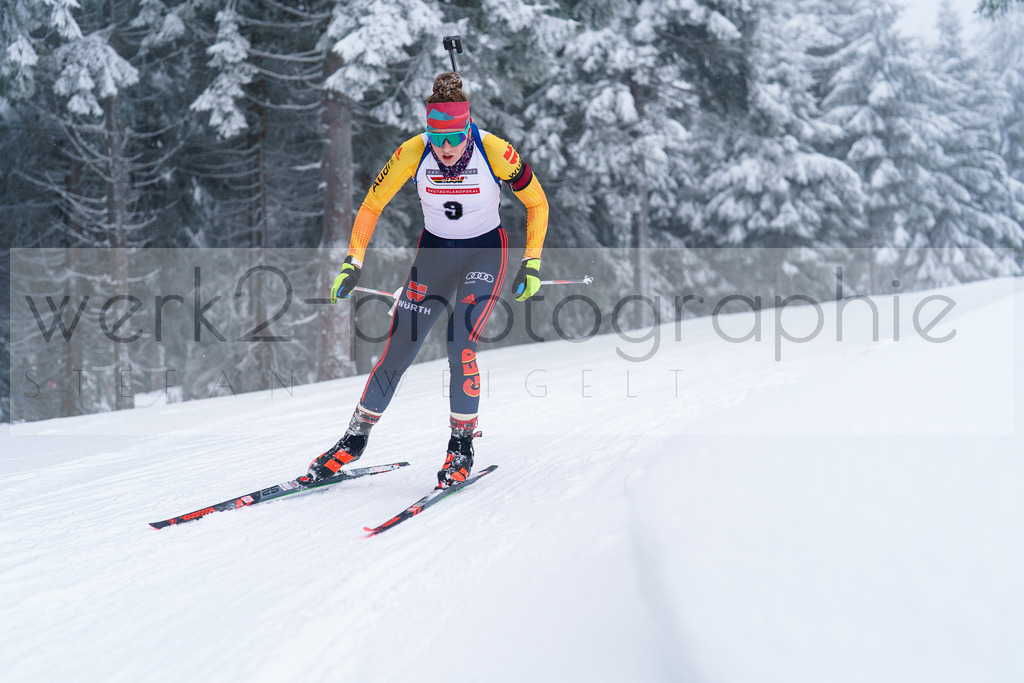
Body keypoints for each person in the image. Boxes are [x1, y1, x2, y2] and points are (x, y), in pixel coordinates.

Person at [307, 71, 549, 488]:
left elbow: (536, 201)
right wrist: (352, 261)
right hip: (434, 255)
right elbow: (370, 206)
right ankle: (353, 440)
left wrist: (532, 263)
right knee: (398, 348)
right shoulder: (413, 152)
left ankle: (461, 447)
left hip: (485, 253)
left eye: (456, 138)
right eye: (438, 139)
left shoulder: (495, 151)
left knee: (461, 344)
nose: (447, 148)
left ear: (468, 128)